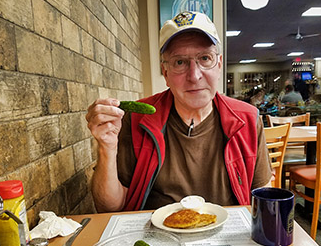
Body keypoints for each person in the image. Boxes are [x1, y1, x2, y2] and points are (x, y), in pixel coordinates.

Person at [85, 11, 272, 212]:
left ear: (218, 64)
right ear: (165, 73)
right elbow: (109, 207)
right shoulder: (135, 119)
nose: (194, 75)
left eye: (205, 58)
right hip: (155, 236)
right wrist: (106, 148)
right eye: (180, 62)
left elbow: (262, 197)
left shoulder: (248, 119)